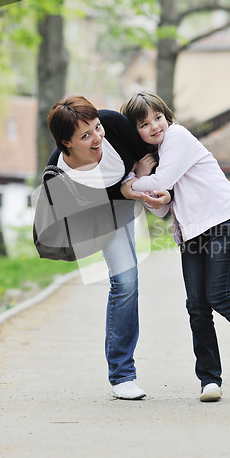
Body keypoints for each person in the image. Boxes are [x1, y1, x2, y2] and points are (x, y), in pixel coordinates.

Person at [120, 91, 230, 402]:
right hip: (192, 233)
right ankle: (209, 381)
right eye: (144, 124)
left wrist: (132, 184)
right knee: (197, 307)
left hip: (223, 222)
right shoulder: (157, 156)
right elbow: (162, 207)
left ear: (167, 116)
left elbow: (163, 179)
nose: (154, 126)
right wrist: (147, 186)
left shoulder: (177, 137)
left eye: (158, 117)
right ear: (134, 131)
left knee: (220, 296)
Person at [44, 95, 172, 400]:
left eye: (97, 128)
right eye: (85, 136)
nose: (97, 137)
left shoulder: (113, 126)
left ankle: (121, 371)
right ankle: (122, 375)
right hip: (98, 215)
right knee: (125, 280)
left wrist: (146, 182)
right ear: (66, 143)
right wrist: (128, 186)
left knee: (129, 278)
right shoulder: (58, 174)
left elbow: (157, 155)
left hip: (128, 196)